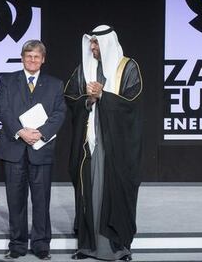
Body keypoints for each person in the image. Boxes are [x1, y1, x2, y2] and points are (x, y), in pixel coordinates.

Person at [64, 25, 142, 261]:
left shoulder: (127, 67)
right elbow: (70, 97)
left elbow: (132, 101)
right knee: (88, 190)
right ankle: (87, 246)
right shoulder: (84, 68)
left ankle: (119, 248)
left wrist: (103, 96)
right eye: (91, 43)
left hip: (116, 144)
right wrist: (88, 99)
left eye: (96, 44)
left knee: (115, 191)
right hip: (89, 141)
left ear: (106, 43)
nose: (93, 48)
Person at [0, 40, 65, 260]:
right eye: (28, 56)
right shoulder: (7, 80)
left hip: (41, 149)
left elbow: (59, 113)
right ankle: (17, 244)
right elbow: (3, 109)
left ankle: (41, 244)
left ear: (43, 59)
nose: (32, 60)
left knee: (41, 200)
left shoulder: (55, 84)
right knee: (15, 201)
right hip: (14, 148)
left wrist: (41, 132)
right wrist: (19, 131)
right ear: (22, 57)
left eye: (36, 56)